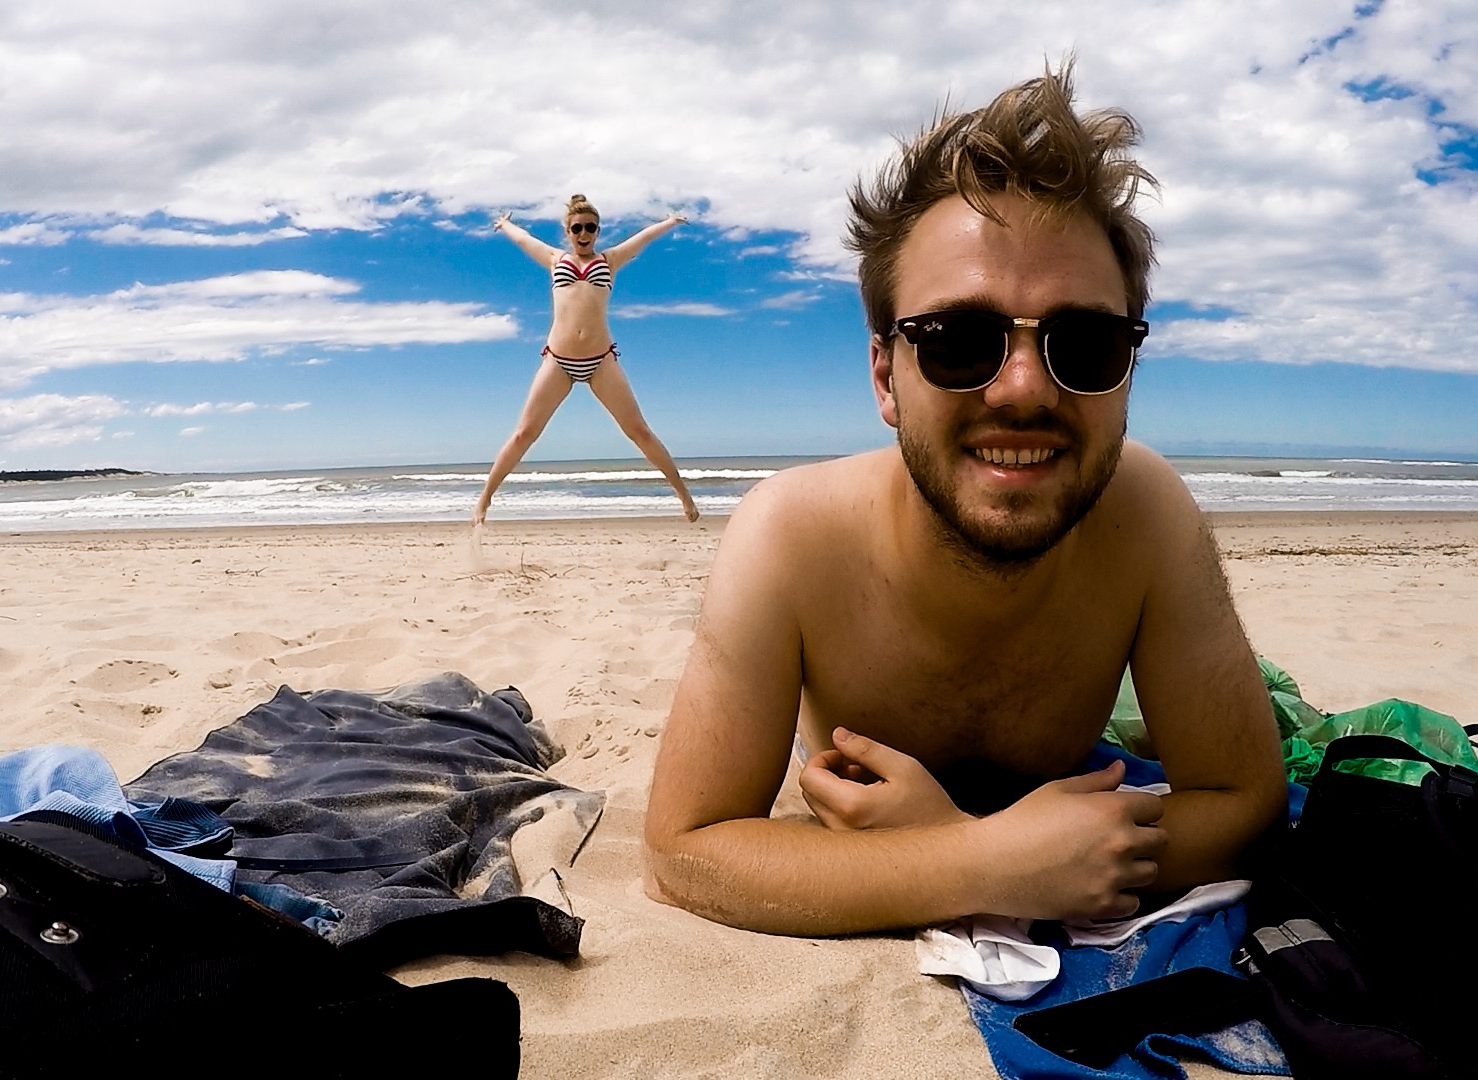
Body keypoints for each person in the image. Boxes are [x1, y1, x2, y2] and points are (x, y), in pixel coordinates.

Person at [642, 64, 1286, 936]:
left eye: (1084, 344)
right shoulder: (789, 535)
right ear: (885, 375)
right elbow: (681, 851)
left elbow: (1246, 803)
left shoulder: (1146, 514)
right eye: (957, 341)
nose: (1024, 389)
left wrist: (955, 844)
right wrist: (988, 862)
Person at [476, 194, 700, 525]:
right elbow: (524, 240)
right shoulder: (555, 259)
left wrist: (669, 222)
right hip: (558, 361)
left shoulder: (609, 260)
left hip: (600, 361)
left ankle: (684, 496)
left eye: (590, 228)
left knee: (639, 430)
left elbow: (642, 239)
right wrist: (506, 225)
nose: (584, 234)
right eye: (577, 228)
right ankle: (484, 501)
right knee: (524, 433)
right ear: (568, 231)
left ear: (597, 231)